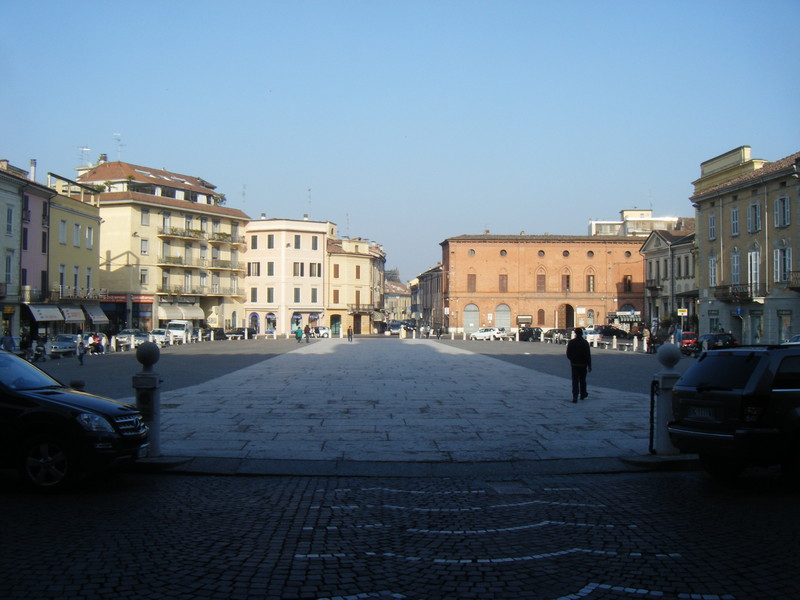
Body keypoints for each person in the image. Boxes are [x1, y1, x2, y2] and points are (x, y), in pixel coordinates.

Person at [566, 327, 591, 403]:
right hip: (583, 365)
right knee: (583, 380)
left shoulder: (571, 342)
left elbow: (568, 353)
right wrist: (589, 365)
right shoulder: (585, 343)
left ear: (575, 333)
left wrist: (572, 360)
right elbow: (588, 355)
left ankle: (575, 396)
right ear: (582, 333)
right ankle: (583, 394)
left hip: (574, 364)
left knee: (575, 381)